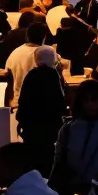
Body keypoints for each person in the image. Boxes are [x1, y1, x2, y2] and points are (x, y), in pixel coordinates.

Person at [16, 46, 67, 178]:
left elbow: (23, 100)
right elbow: (60, 101)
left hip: (31, 127)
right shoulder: (53, 75)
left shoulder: (31, 75)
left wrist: (21, 120)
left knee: (33, 158)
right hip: (49, 127)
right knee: (47, 157)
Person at [4, 22, 49, 107]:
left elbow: (8, 77)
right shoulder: (47, 54)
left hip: (16, 102)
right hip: (40, 103)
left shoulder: (15, 53)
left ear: (27, 36)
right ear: (44, 37)